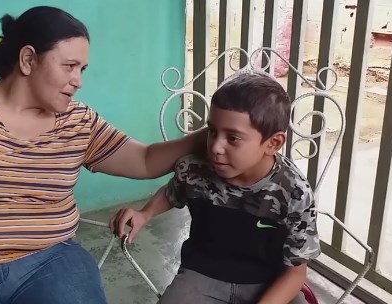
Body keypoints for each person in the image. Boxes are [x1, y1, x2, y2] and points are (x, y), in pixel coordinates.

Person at [0, 6, 207, 304]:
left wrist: (211, 133)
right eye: (70, 66)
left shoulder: (78, 122)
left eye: (82, 69)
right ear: (28, 60)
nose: (78, 81)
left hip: (50, 262)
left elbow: (145, 160)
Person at [110, 70, 321, 304]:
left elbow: (295, 273)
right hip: (202, 276)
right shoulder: (196, 168)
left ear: (273, 143)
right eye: (212, 131)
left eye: (233, 138)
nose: (215, 147)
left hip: (268, 284)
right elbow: (173, 193)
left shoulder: (294, 192)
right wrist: (145, 213)